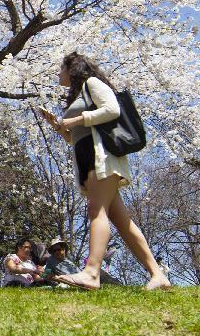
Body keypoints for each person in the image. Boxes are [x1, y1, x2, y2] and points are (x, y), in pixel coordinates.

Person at [39, 52, 171, 291]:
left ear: (72, 69)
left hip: (102, 157)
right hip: (87, 156)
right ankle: (158, 275)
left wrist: (76, 119)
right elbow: (74, 137)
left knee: (96, 210)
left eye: (61, 68)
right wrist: (59, 127)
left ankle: (91, 273)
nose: (58, 73)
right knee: (122, 221)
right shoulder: (78, 95)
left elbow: (112, 109)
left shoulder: (92, 83)